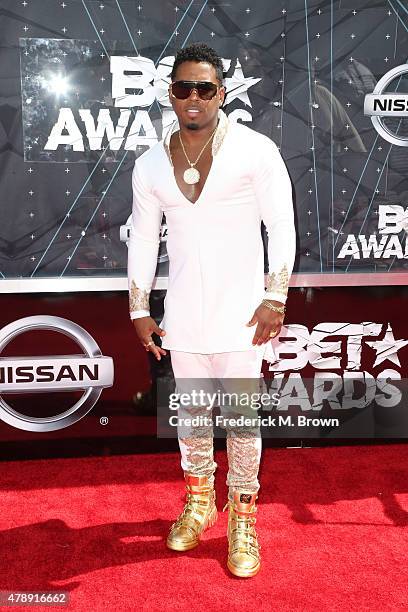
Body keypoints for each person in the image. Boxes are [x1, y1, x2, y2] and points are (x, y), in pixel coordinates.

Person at [128, 42, 296, 578]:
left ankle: (243, 519)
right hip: (184, 317)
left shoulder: (255, 150)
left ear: (221, 93)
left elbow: (282, 226)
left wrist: (275, 297)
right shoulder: (150, 163)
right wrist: (138, 307)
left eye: (204, 88)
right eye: (183, 88)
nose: (193, 97)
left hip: (244, 316)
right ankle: (199, 502)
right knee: (194, 418)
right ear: (170, 96)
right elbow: (142, 240)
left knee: (243, 421)